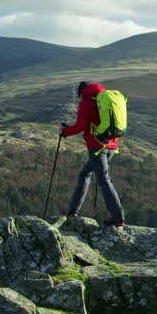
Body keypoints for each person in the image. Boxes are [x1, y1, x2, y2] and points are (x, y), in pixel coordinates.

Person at [62, 81, 126, 226]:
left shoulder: (87, 102)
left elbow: (82, 125)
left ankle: (118, 218)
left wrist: (65, 132)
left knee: (104, 180)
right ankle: (73, 211)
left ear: (81, 92)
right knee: (85, 173)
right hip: (111, 146)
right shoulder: (104, 100)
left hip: (97, 148)